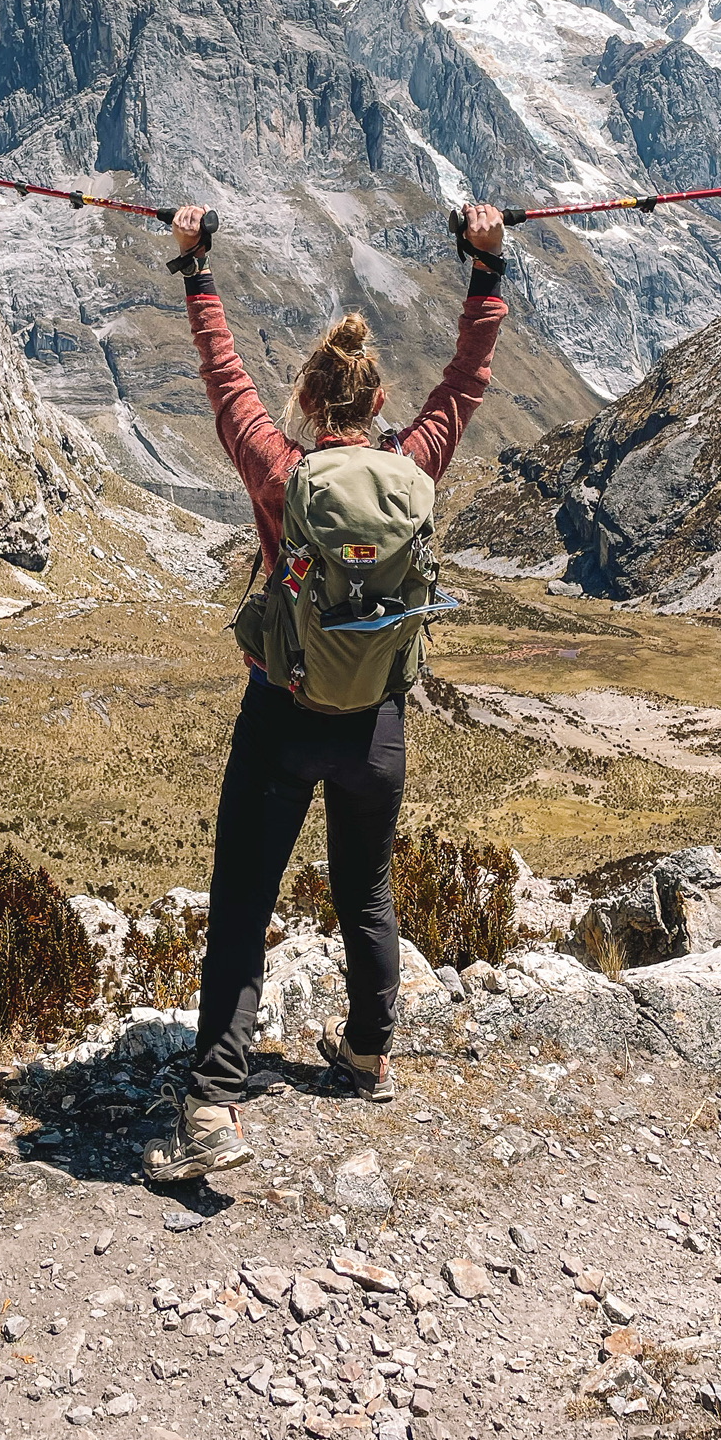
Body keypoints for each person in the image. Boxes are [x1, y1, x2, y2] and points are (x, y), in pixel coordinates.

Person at [143, 202, 508, 1183]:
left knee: (243, 899)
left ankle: (215, 1104)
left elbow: (224, 382)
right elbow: (465, 386)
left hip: (281, 715)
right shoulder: (412, 463)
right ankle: (368, 1050)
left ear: (307, 401)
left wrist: (196, 269)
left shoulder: (280, 470)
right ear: (376, 401)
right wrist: (488, 269)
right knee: (367, 887)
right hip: (376, 725)